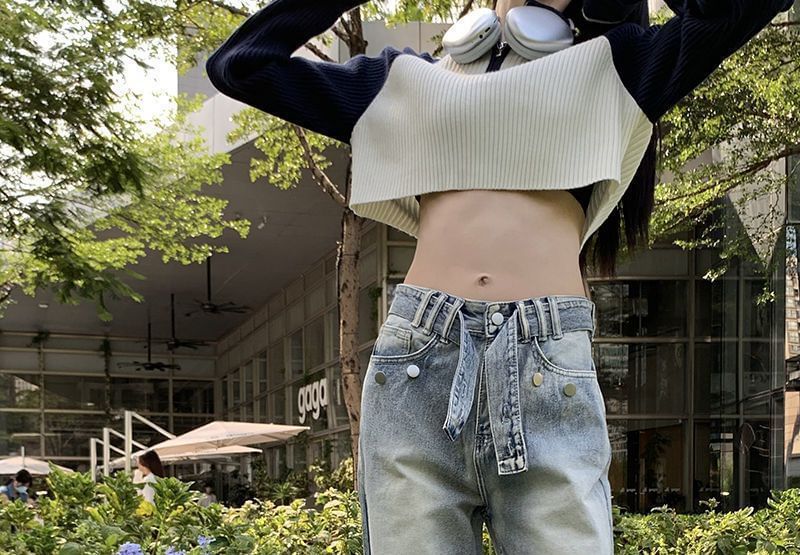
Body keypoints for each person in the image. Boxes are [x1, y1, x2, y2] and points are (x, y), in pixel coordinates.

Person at [204, 0, 794, 552]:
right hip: (420, 359)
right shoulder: (405, 80)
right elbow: (241, 65)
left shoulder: (616, 66)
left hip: (545, 359)